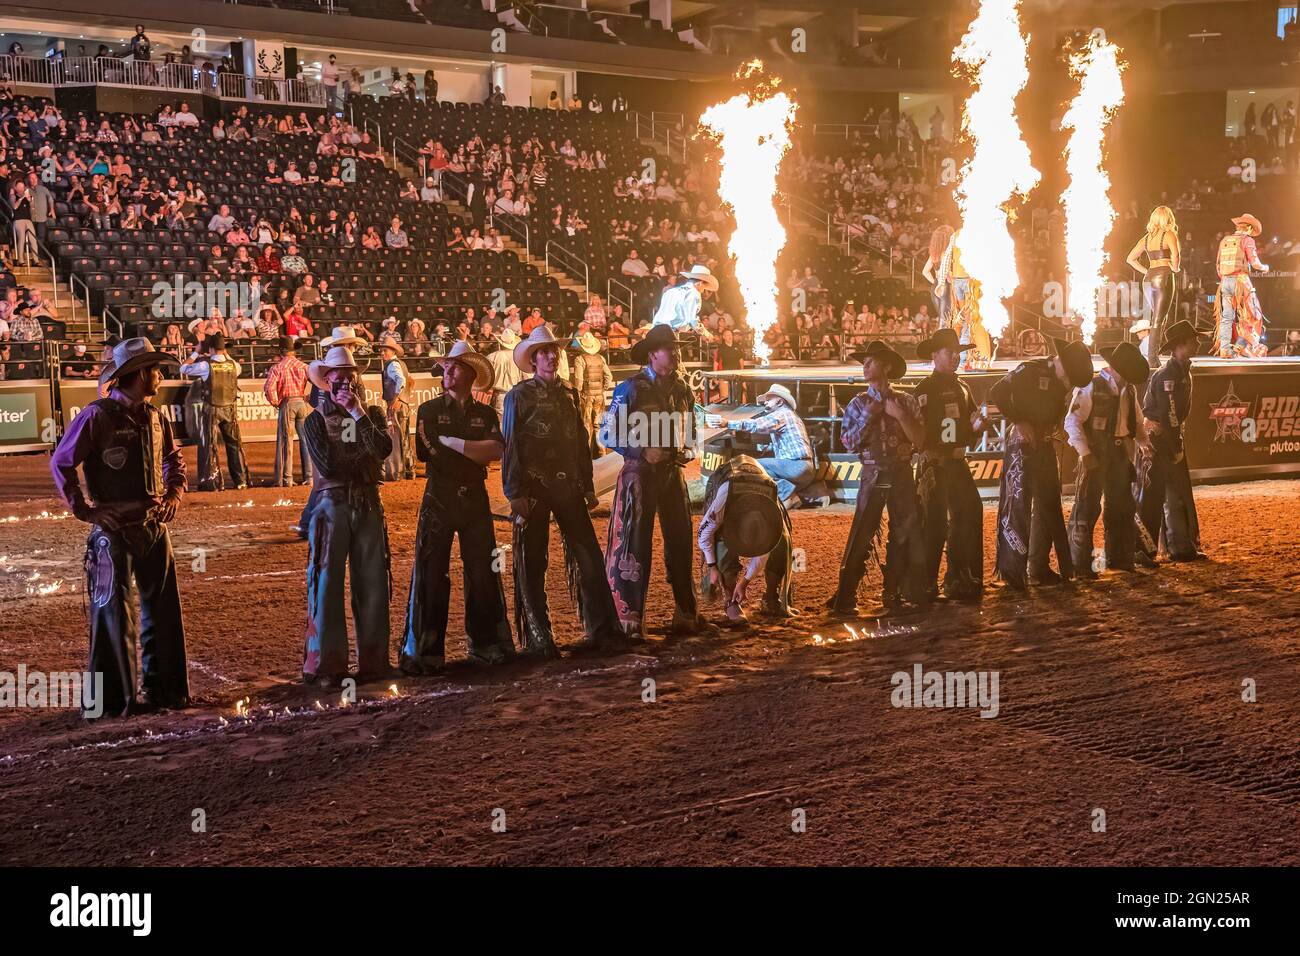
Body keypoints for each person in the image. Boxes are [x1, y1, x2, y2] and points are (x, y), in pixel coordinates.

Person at [49, 338, 189, 717]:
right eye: (155, 370)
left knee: (160, 610)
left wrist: (174, 492)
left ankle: (163, 692)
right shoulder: (97, 416)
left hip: (152, 526)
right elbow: (62, 462)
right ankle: (117, 701)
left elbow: (173, 461)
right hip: (113, 533)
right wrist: (87, 512)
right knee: (114, 613)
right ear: (139, 374)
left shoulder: (155, 417)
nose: (160, 375)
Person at [502, 326, 625, 657]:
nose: (551, 356)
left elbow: (581, 442)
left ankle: (602, 629)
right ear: (533, 359)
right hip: (533, 488)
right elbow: (511, 445)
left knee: (587, 556)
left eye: (553, 351)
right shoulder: (518, 396)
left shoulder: (571, 393)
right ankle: (539, 638)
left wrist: (587, 484)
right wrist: (514, 492)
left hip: (568, 484)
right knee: (532, 560)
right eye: (543, 352)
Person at [401, 342, 513, 673]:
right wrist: (473, 449)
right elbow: (429, 452)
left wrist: (453, 443)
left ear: (469, 374)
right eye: (446, 367)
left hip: (468, 497)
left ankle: (485, 643)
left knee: (483, 570)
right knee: (432, 571)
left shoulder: (483, 413)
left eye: (453, 367)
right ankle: (425, 650)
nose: (446, 372)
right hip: (441, 496)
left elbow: (495, 451)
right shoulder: (430, 410)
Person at [603, 324, 714, 639]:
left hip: (670, 472)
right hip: (639, 474)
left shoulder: (682, 389)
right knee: (635, 543)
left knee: (679, 540)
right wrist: (640, 449)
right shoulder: (630, 388)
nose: (677, 353)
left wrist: (689, 448)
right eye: (670, 348)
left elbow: (693, 426)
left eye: (676, 348)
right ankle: (629, 618)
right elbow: (607, 432)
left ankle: (686, 612)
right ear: (653, 354)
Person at [300, 345, 394, 685]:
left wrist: (357, 414)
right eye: (339, 378)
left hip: (363, 502)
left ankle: (374, 660)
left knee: (372, 582)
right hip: (334, 505)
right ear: (327, 381)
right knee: (326, 585)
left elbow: (383, 450)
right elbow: (329, 465)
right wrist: (365, 462)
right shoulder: (314, 421)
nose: (346, 384)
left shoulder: (371, 414)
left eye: (351, 378)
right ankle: (327, 664)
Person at [826, 341, 928, 614]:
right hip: (875, 473)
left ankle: (893, 592)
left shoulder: (904, 401)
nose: (865, 367)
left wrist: (902, 417)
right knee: (863, 532)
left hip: (900, 472)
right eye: (865, 363)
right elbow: (848, 442)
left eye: (870, 362)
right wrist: (869, 417)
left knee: (903, 531)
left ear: (886, 367)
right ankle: (847, 596)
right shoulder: (859, 404)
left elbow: (920, 439)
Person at [989, 337, 1094, 590]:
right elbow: (997, 392)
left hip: (1044, 444)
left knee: (1049, 506)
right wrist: (1018, 420)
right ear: (1061, 363)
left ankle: (1040, 567)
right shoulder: (1029, 370)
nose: (1068, 383)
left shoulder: (1060, 382)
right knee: (1018, 505)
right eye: (1068, 376)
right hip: (1022, 446)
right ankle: (1013, 572)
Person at [913, 328, 987, 601]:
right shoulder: (924, 389)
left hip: (957, 462)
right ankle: (926, 582)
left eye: (958, 352)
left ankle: (961, 575)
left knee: (970, 511)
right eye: (950, 352)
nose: (956, 357)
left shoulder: (963, 388)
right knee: (934, 523)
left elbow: (968, 429)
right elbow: (919, 430)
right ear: (935, 356)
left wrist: (977, 426)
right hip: (935, 464)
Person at [1066, 341, 1151, 576]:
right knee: (1087, 507)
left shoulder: (1127, 389)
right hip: (1096, 452)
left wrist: (1144, 443)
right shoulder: (1091, 387)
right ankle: (1081, 564)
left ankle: (1119, 557)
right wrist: (1085, 453)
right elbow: (1072, 421)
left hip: (1119, 453)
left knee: (1122, 506)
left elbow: (1134, 418)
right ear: (1117, 370)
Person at [1135, 320, 1206, 563]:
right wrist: (1175, 446)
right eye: (1193, 340)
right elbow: (1169, 413)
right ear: (1180, 346)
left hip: (1167, 437)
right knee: (1154, 496)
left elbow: (1174, 414)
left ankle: (1179, 546)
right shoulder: (1169, 376)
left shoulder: (1181, 372)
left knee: (1175, 493)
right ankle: (1145, 549)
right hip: (1159, 441)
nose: (1198, 342)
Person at [698, 450, 796, 623]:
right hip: (728, 485)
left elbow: (765, 551)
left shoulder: (769, 509)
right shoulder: (724, 501)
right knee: (721, 544)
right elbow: (704, 533)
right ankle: (730, 601)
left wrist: (743, 583)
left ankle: (771, 597)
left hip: (759, 488)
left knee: (781, 541)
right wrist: (713, 567)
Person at [717, 384, 817, 506]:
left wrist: (728, 423)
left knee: (751, 466)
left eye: (769, 399)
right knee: (765, 468)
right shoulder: (790, 415)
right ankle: (814, 493)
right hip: (803, 467)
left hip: (796, 466)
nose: (765, 402)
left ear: (780, 402)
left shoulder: (782, 414)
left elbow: (757, 425)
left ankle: (787, 495)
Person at [180, 334, 249, 491]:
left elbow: (183, 368)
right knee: (233, 444)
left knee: (207, 444)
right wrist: (225, 353)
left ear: (210, 349)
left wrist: (196, 352)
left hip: (211, 408)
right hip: (230, 409)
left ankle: (209, 481)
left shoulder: (206, 366)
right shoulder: (234, 365)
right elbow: (232, 363)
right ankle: (241, 480)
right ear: (224, 349)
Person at [1125, 206, 1181, 368]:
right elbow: (1175, 255)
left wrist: (1146, 271)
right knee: (1159, 318)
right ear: (1168, 218)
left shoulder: (1147, 238)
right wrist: (1175, 268)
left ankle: (1153, 355)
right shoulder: (1169, 234)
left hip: (1149, 278)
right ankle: (1152, 359)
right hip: (1163, 275)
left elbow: (1130, 258)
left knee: (1158, 317)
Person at [1214, 213, 1270, 357]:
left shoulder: (1225, 240)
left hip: (1225, 282)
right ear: (1249, 228)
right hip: (1240, 281)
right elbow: (1255, 262)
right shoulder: (1247, 240)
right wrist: (1265, 267)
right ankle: (1241, 345)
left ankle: (1225, 349)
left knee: (1227, 317)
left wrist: (1226, 279)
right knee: (1253, 316)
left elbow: (1218, 264)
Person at [263, 337, 312, 488]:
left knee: (286, 441)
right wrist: (308, 397)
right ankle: (310, 477)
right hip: (302, 403)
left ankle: (287, 478)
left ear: (281, 351)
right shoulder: (304, 366)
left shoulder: (278, 367)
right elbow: (318, 383)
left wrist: (275, 402)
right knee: (306, 441)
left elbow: (269, 388)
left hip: (288, 403)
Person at [379, 334, 414, 481]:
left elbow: (401, 380)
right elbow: (411, 381)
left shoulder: (392, 365)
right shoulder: (401, 363)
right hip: (403, 404)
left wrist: (397, 398)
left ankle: (398, 471)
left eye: (386, 350)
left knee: (396, 437)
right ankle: (408, 470)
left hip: (397, 405)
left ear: (393, 351)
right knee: (404, 437)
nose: (383, 353)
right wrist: (405, 397)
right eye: (382, 350)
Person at [572, 330, 612, 457]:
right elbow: (609, 376)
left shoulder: (580, 359)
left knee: (586, 426)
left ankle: (587, 455)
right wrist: (602, 389)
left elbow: (579, 380)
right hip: (599, 396)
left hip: (587, 396)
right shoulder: (601, 358)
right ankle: (602, 453)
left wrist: (578, 394)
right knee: (598, 425)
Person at [651, 264, 717, 340]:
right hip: (669, 334)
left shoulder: (671, 291)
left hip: (655, 330)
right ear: (700, 283)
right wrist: (707, 334)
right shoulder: (694, 293)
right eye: (704, 286)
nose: (704, 290)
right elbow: (692, 320)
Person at [488, 327, 523, 415]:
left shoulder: (492, 357)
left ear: (500, 343)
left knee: (501, 422)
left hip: (500, 395)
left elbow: (485, 377)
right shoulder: (519, 357)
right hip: (517, 395)